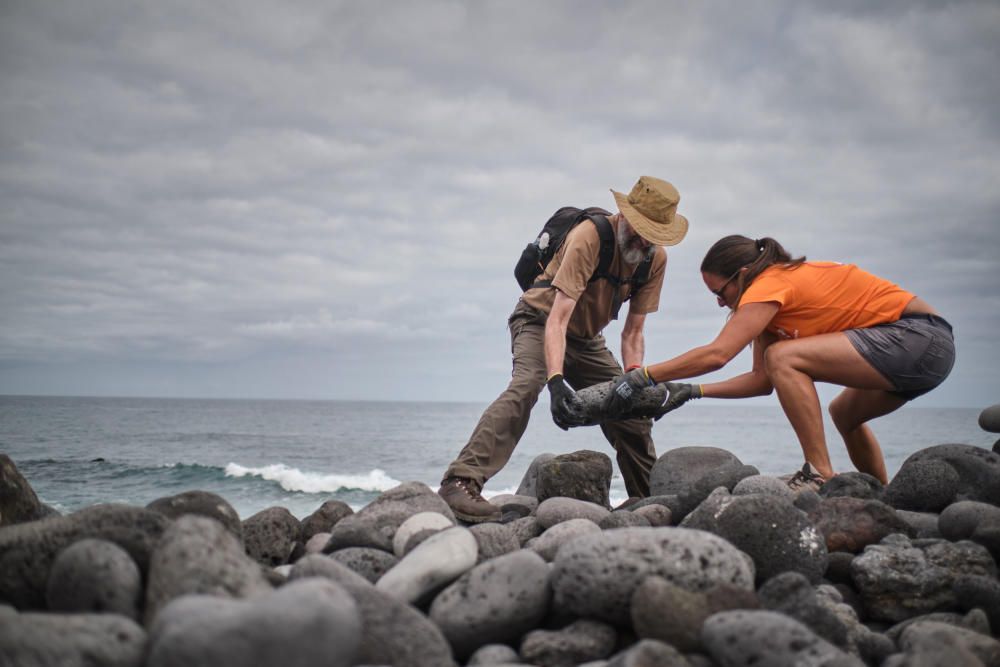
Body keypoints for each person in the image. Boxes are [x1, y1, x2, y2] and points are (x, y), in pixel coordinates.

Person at [604, 234, 955, 492]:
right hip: (921, 356)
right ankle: (884, 495)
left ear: (742, 275)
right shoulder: (770, 308)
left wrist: (645, 376)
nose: (720, 304)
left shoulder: (770, 284)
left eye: (719, 293)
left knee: (784, 356)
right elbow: (763, 380)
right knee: (844, 414)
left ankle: (819, 472)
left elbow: (718, 354)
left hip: (919, 337)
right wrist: (691, 391)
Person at [438, 176, 690, 522]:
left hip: (587, 340)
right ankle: (461, 482)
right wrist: (556, 382)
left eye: (655, 235)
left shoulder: (654, 259)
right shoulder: (590, 237)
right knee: (528, 385)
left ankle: (647, 499)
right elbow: (557, 318)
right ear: (626, 215)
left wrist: (633, 380)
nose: (646, 240)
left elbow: (633, 332)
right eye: (642, 230)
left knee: (629, 410)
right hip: (539, 320)